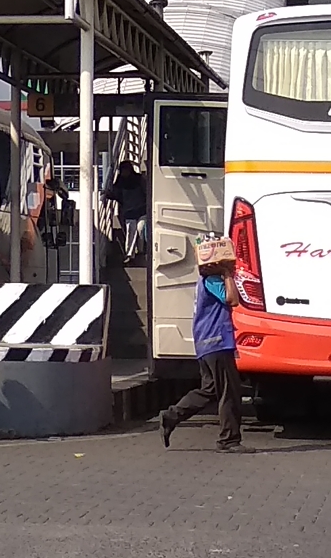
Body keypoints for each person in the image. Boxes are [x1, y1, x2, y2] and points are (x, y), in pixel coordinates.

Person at [158, 242, 245, 452]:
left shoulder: (203, 279)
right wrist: (227, 274)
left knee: (210, 390)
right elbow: (232, 299)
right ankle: (229, 440)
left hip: (206, 343)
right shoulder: (213, 280)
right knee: (229, 392)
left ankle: (171, 416)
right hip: (217, 342)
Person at [104, 162, 148, 262]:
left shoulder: (140, 179)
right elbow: (116, 195)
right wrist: (107, 194)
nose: (124, 172)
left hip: (142, 210)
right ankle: (129, 254)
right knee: (130, 231)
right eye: (123, 170)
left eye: (126, 170)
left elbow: (147, 192)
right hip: (129, 212)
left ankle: (140, 250)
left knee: (140, 230)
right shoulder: (120, 182)